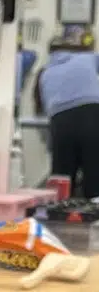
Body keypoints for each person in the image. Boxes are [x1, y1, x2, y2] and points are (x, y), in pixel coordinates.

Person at [34, 42, 99, 197]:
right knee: (95, 174)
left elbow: (42, 107)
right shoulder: (87, 58)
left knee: (62, 181)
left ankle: (60, 215)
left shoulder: (46, 71)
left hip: (60, 121)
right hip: (91, 114)